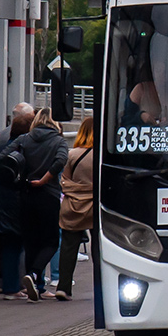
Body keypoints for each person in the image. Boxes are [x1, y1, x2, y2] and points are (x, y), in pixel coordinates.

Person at [9, 109, 68, 302]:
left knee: (31, 242)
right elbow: (61, 160)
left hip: (26, 195)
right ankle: (34, 275)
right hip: (48, 196)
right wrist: (45, 179)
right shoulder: (59, 141)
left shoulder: (25, 139)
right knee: (50, 241)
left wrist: (17, 178)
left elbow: (5, 156)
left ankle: (33, 283)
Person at [0, 111, 33, 299]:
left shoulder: (2, 150)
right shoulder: (17, 153)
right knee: (15, 246)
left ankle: (9, 285)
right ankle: (12, 287)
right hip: (12, 206)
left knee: (9, 246)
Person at [55, 123, 94, 301]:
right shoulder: (101, 155)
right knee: (101, 248)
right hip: (95, 206)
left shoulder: (72, 154)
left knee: (69, 246)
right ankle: (102, 286)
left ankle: (63, 286)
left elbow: (65, 181)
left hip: (74, 206)